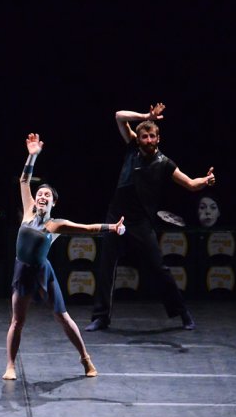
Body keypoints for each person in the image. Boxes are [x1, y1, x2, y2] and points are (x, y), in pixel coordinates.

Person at [3, 134, 124, 381]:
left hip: (42, 272)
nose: (42, 196)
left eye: (47, 195)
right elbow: (25, 179)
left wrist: (111, 228)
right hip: (22, 272)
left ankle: (85, 359)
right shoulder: (27, 212)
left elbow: (87, 228)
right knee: (17, 321)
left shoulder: (56, 225)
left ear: (54, 202)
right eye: (40, 193)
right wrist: (33, 154)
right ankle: (11, 365)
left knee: (62, 316)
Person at [87, 103, 216, 331]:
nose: (147, 140)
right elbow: (118, 115)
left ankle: (182, 312)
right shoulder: (131, 148)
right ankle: (101, 317)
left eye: (151, 136)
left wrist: (205, 181)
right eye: (144, 136)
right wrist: (146, 116)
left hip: (140, 222)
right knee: (106, 266)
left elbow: (189, 184)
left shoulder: (164, 163)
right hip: (116, 217)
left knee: (159, 268)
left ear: (158, 139)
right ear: (138, 138)